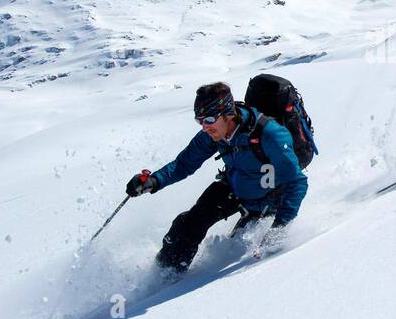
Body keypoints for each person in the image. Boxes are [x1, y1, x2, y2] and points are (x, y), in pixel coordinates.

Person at [125, 82, 308, 272]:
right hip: (235, 188)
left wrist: (280, 227)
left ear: (229, 113)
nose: (205, 126)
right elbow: (184, 163)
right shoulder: (212, 133)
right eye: (200, 120)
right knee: (187, 225)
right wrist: (155, 181)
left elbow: (296, 182)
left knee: (238, 246)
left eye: (210, 119)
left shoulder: (269, 134)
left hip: (270, 197)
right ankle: (164, 276)